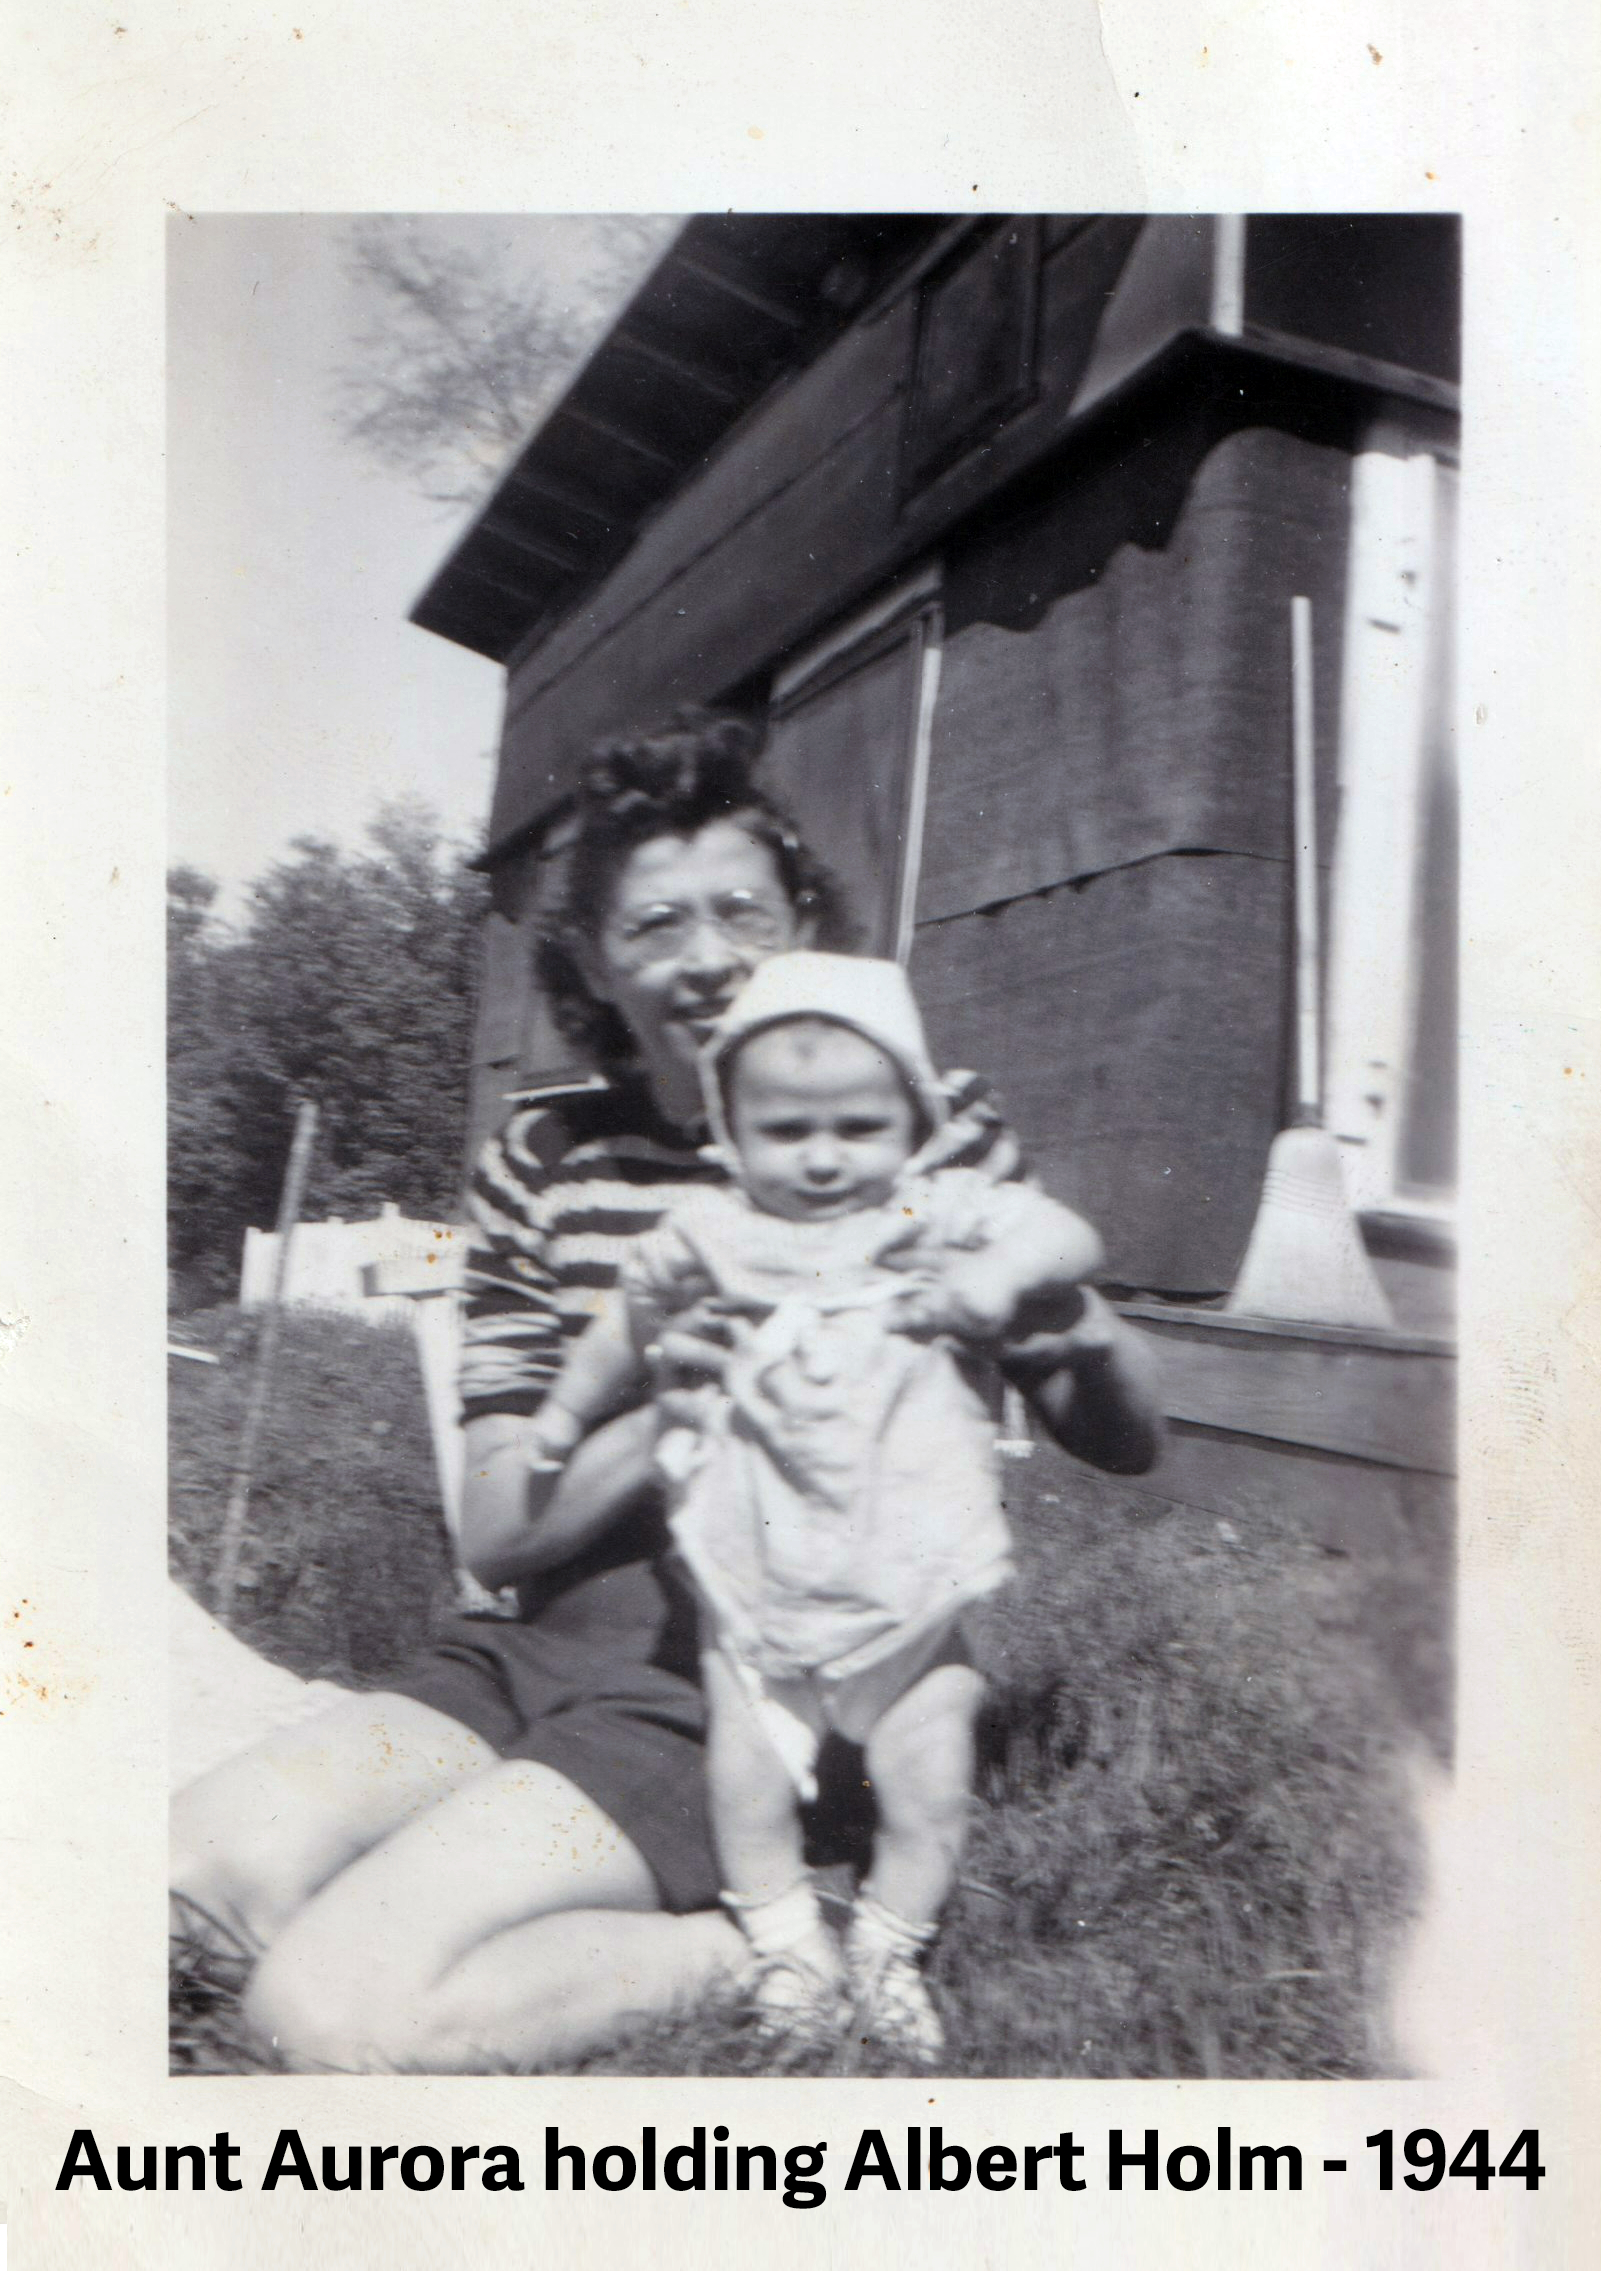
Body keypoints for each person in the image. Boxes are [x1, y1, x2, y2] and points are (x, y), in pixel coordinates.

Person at [170, 711, 1163, 2074]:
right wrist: (672, 1409)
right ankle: (467, 1897)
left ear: (802, 920)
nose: (702, 960)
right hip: (534, 1644)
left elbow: (1122, 1435)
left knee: (330, 2011)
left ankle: (777, 1930)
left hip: (746, 1670)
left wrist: (1060, 1312)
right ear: (592, 958)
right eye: (653, 924)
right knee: (187, 1870)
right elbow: (499, 1534)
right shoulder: (547, 1157)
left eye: (739, 912)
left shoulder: (920, 1127)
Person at [523, 949, 1109, 2055]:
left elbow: (1068, 1234)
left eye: (858, 1127)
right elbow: (624, 1324)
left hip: (907, 1592)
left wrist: (995, 1279)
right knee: (743, 1789)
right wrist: (562, 1418)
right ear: (731, 1136)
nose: (827, 1159)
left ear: (913, 1123)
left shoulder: (934, 1214)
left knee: (929, 1780)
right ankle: (788, 1948)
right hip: (759, 1589)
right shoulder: (710, 1230)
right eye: (788, 1133)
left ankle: (889, 1947)